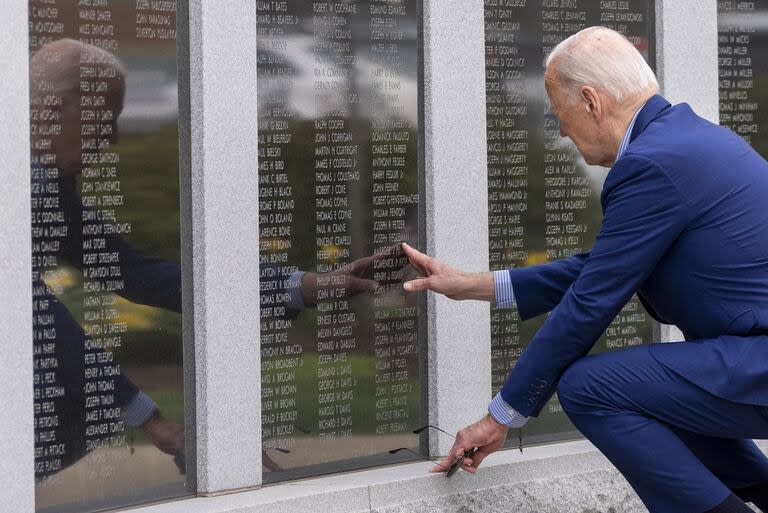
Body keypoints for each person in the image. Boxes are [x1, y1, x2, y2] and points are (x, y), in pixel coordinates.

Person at [402, 26, 768, 513]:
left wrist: (501, 416)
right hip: (753, 356)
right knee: (651, 392)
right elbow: (602, 268)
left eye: (560, 112)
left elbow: (592, 299)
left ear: (592, 101)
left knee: (592, 388)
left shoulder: (653, 164)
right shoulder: (685, 140)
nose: (560, 129)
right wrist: (471, 286)